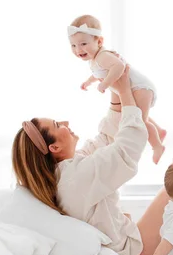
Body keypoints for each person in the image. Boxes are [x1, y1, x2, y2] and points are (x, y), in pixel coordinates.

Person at [11, 67, 173, 255]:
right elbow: (125, 149)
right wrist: (126, 92)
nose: (65, 123)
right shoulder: (73, 179)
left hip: (131, 243)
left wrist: (117, 94)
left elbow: (106, 138)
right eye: (57, 125)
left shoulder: (69, 171)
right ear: (53, 148)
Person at [68, 14, 166, 164]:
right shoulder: (95, 59)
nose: (78, 49)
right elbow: (98, 72)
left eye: (83, 44)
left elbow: (118, 66)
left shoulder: (103, 56)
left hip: (140, 87)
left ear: (99, 41)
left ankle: (157, 146)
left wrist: (105, 83)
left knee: (139, 120)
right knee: (137, 114)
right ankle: (158, 131)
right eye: (73, 45)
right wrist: (89, 81)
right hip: (137, 88)